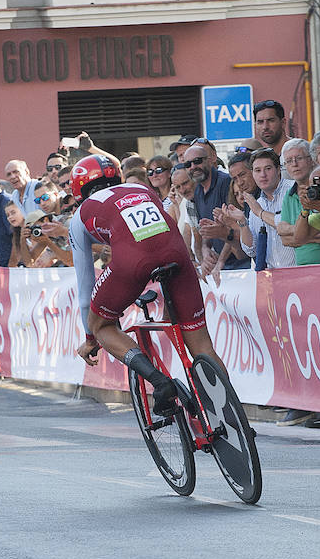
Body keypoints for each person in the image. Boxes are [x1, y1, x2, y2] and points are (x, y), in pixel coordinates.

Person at [69, 154, 227, 416]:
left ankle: (159, 382)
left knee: (101, 325)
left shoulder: (79, 217)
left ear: (77, 190)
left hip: (132, 261)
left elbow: (85, 286)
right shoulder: (140, 188)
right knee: (202, 345)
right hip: (177, 254)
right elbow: (160, 235)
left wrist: (89, 337)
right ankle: (231, 418)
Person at [223, 147, 296, 269]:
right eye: (257, 170)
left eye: (268, 169)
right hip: (273, 276)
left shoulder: (293, 189)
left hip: (300, 272)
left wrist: (260, 212)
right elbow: (251, 250)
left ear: (278, 169)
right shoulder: (257, 203)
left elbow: (290, 227)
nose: (263, 175)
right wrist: (242, 222)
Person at [185, 142, 250, 271]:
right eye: (188, 164)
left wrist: (220, 261)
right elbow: (207, 230)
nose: (193, 167)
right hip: (222, 267)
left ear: (210, 160)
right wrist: (205, 249)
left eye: (197, 161)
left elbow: (233, 226)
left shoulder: (225, 182)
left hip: (242, 263)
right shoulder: (197, 190)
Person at [277, 139, 320, 266]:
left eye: (298, 158)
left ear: (310, 160)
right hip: (301, 267)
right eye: (289, 161)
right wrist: (308, 235)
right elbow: (283, 238)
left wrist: (297, 235)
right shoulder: (289, 195)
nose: (294, 164)